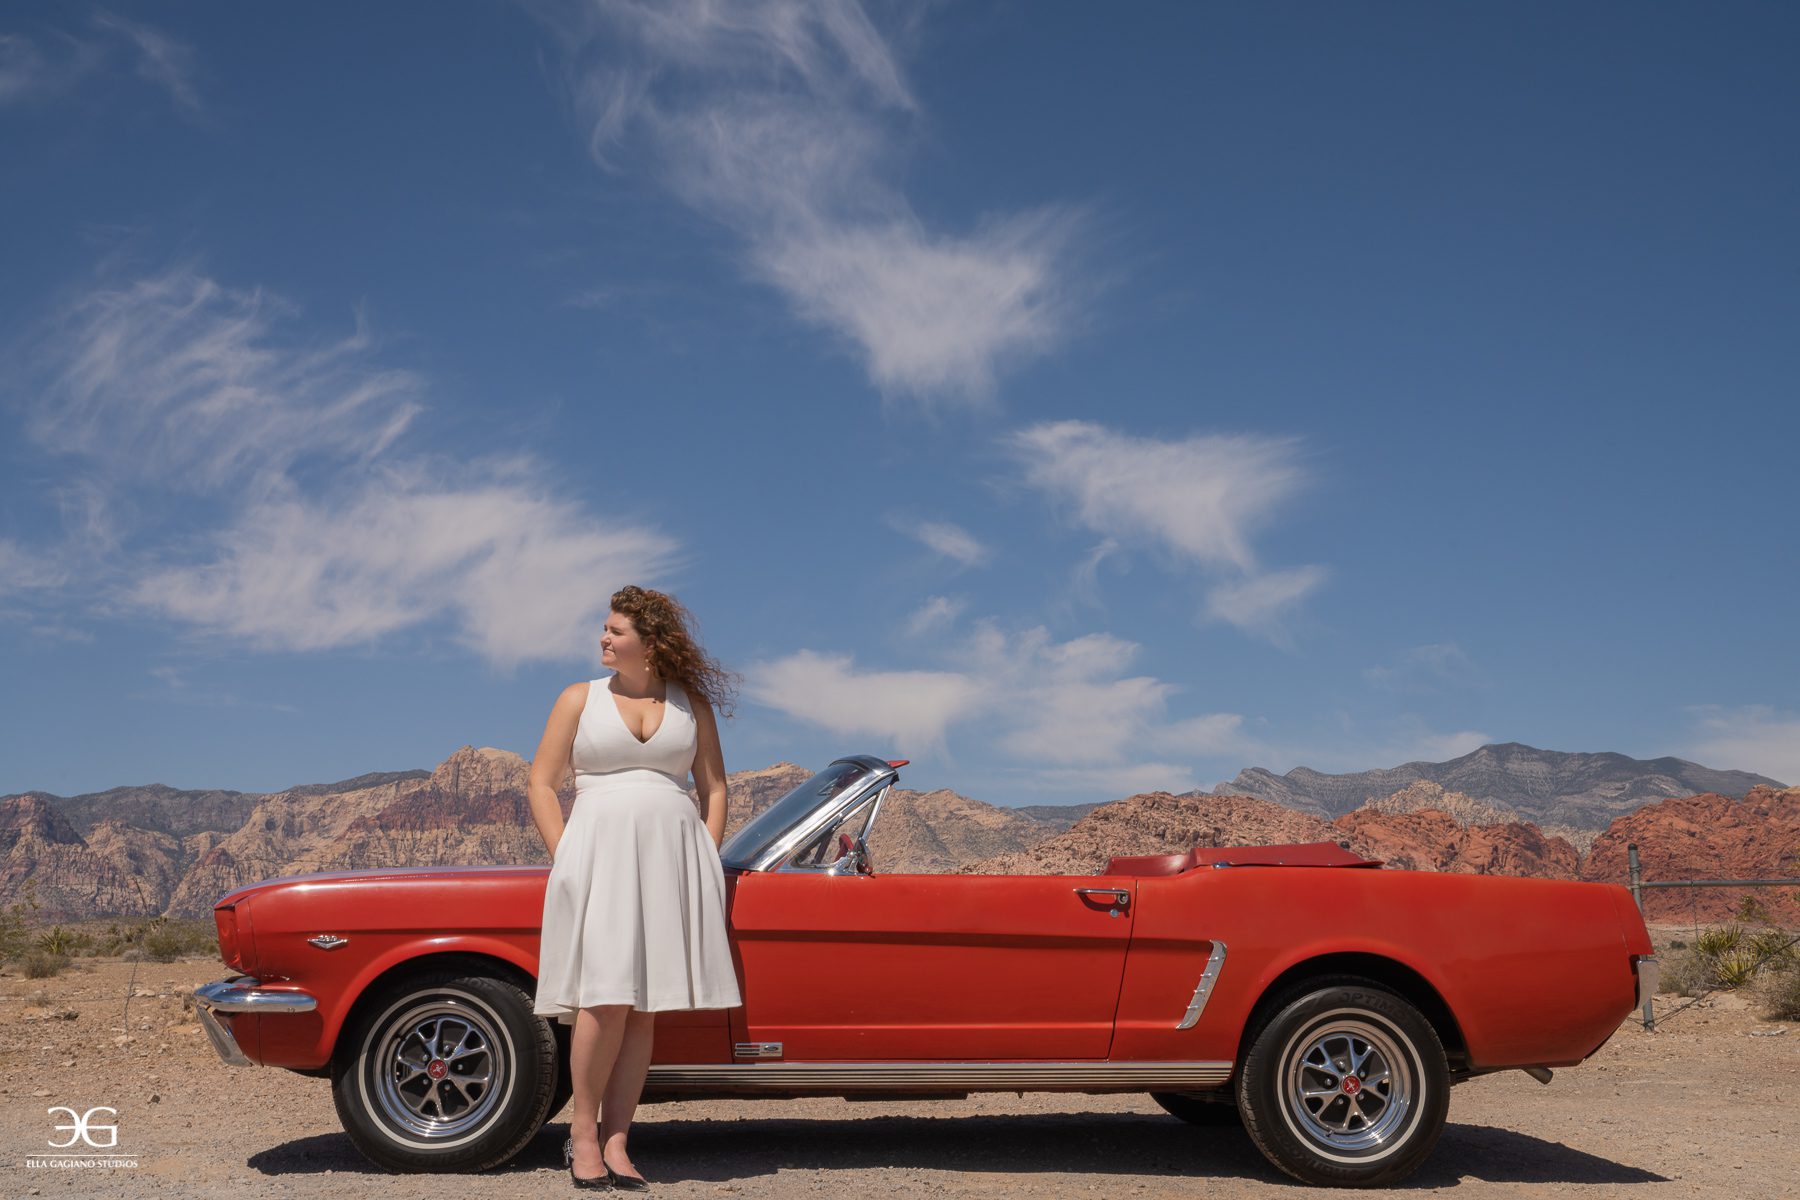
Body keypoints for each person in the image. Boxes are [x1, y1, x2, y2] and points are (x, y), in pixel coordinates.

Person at [527, 585, 742, 1189]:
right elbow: (541, 784)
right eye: (605, 628)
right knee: (603, 997)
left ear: (649, 645)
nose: (603, 638)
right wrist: (564, 851)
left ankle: (620, 1139)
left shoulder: (689, 704)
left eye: (615, 630)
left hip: (671, 860)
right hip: (598, 857)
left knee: (644, 1007)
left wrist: (705, 849)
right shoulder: (579, 699)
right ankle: (583, 1134)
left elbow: (715, 788)